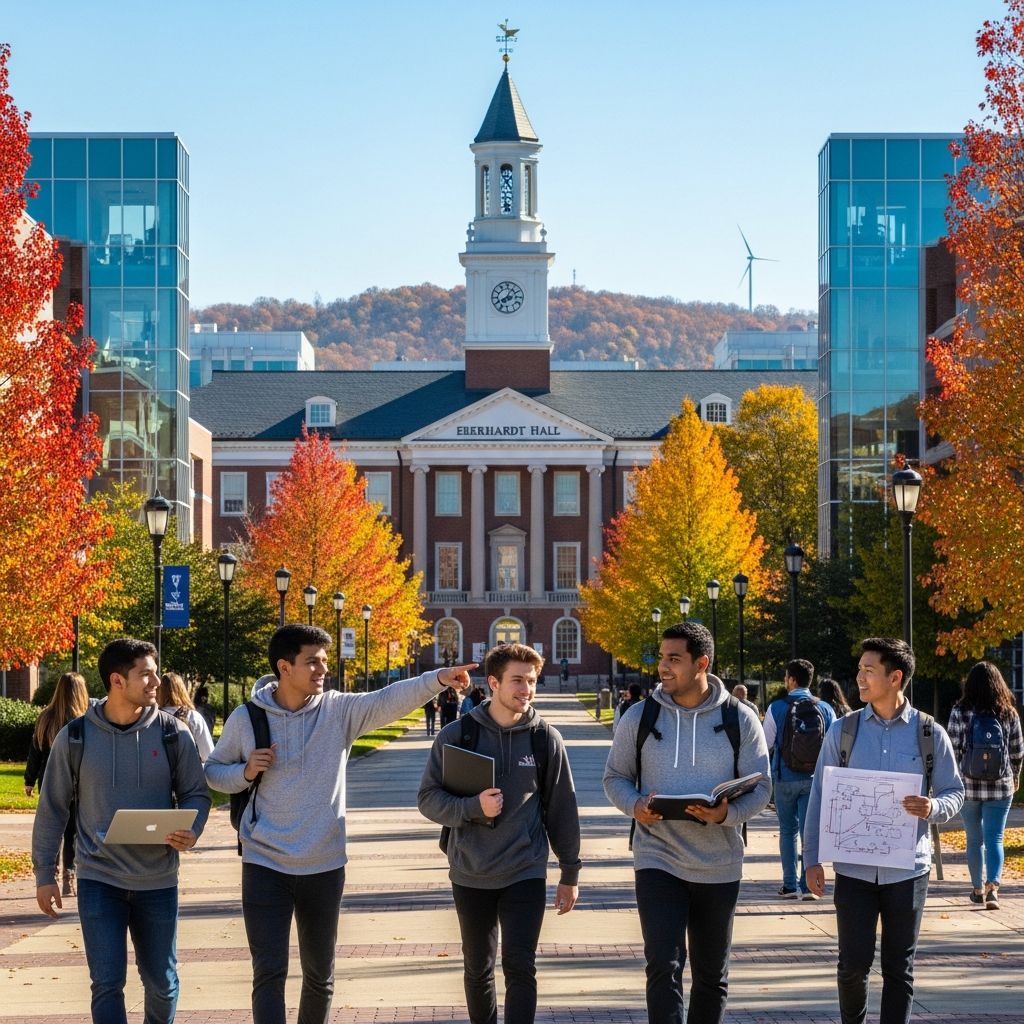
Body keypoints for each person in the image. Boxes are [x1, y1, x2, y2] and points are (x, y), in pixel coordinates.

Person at [205, 623, 474, 1024]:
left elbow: (388, 700)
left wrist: (437, 679)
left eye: (325, 661)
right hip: (265, 864)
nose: (323, 669)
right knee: (269, 973)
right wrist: (244, 772)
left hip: (324, 864)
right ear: (284, 667)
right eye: (312, 662)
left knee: (320, 976)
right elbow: (213, 772)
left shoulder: (338, 711)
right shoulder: (247, 718)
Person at [31, 637, 211, 1024]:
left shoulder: (173, 733)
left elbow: (196, 794)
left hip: (158, 880)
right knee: (107, 984)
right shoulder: (75, 737)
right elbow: (52, 809)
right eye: (146, 674)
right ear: (117, 680)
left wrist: (192, 828)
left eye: (155, 673)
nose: (156, 682)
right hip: (99, 880)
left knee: (162, 984)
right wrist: (45, 874)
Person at [604, 621, 771, 1024]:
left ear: (701, 663)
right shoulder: (640, 716)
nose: (663, 667)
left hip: (719, 864)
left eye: (674, 659)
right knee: (663, 964)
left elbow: (762, 787)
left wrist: (726, 814)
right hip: (657, 858)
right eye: (663, 658)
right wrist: (635, 806)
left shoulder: (740, 718)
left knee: (712, 974)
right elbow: (615, 777)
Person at [418, 642, 581, 1024]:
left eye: (532, 681)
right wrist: (472, 808)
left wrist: (569, 873)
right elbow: (427, 799)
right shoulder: (458, 735)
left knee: (521, 965)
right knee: (478, 967)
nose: (527, 690)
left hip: (525, 869)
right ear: (493, 683)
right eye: (518, 681)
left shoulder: (544, 739)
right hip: (471, 870)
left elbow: (562, 809)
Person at [804, 637, 964, 1024]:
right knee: (852, 965)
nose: (859, 677)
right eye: (859, 670)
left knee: (899, 969)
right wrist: (811, 859)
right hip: (854, 871)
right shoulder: (843, 731)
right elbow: (820, 795)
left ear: (895, 677)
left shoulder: (929, 733)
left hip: (908, 871)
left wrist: (933, 807)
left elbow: (954, 791)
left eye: (868, 670)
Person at [947, 661, 1023, 909]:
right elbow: (1017, 750)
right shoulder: (1008, 713)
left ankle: (977, 889)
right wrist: (1015, 775)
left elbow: (952, 749)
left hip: (968, 787)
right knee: (995, 838)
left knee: (974, 840)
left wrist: (953, 780)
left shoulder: (960, 711)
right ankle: (993, 889)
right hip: (1000, 787)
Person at [763, 659, 835, 899]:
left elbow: (766, 744)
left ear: (791, 680)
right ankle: (808, 886)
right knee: (809, 831)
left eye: (786, 677)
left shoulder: (776, 708)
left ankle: (789, 885)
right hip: (815, 780)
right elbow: (833, 747)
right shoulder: (825, 708)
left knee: (787, 831)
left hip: (785, 778)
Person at [24, 671, 90, 897]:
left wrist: (29, 780)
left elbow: (35, 751)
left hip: (49, 780)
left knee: (53, 829)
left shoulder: (46, 717)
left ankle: (50, 874)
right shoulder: (83, 720)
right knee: (71, 832)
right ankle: (69, 878)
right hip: (77, 782)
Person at [158, 671, 215, 762]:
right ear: (182, 690)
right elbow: (208, 755)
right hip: (188, 768)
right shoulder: (193, 717)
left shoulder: (153, 718)